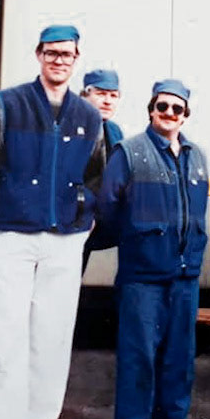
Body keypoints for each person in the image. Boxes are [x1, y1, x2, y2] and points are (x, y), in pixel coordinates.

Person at [0, 24, 102, 419]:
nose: (59, 60)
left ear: (77, 59)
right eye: (51, 52)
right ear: (39, 55)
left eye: (67, 54)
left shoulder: (88, 115)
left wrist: (85, 219)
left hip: (63, 241)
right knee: (4, 339)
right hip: (12, 236)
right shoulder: (5, 105)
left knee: (52, 340)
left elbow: (96, 175)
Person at [98, 78, 210, 419]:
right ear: (151, 110)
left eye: (176, 108)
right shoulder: (129, 152)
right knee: (139, 357)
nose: (169, 113)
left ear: (186, 115)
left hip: (185, 274)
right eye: (162, 106)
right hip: (143, 277)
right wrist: (140, 244)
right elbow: (108, 209)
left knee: (180, 356)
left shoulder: (197, 156)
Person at [80, 68, 124, 270]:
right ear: (84, 95)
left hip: (97, 219)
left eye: (113, 96)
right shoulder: (69, 126)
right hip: (70, 218)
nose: (107, 101)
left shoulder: (114, 130)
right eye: (101, 94)